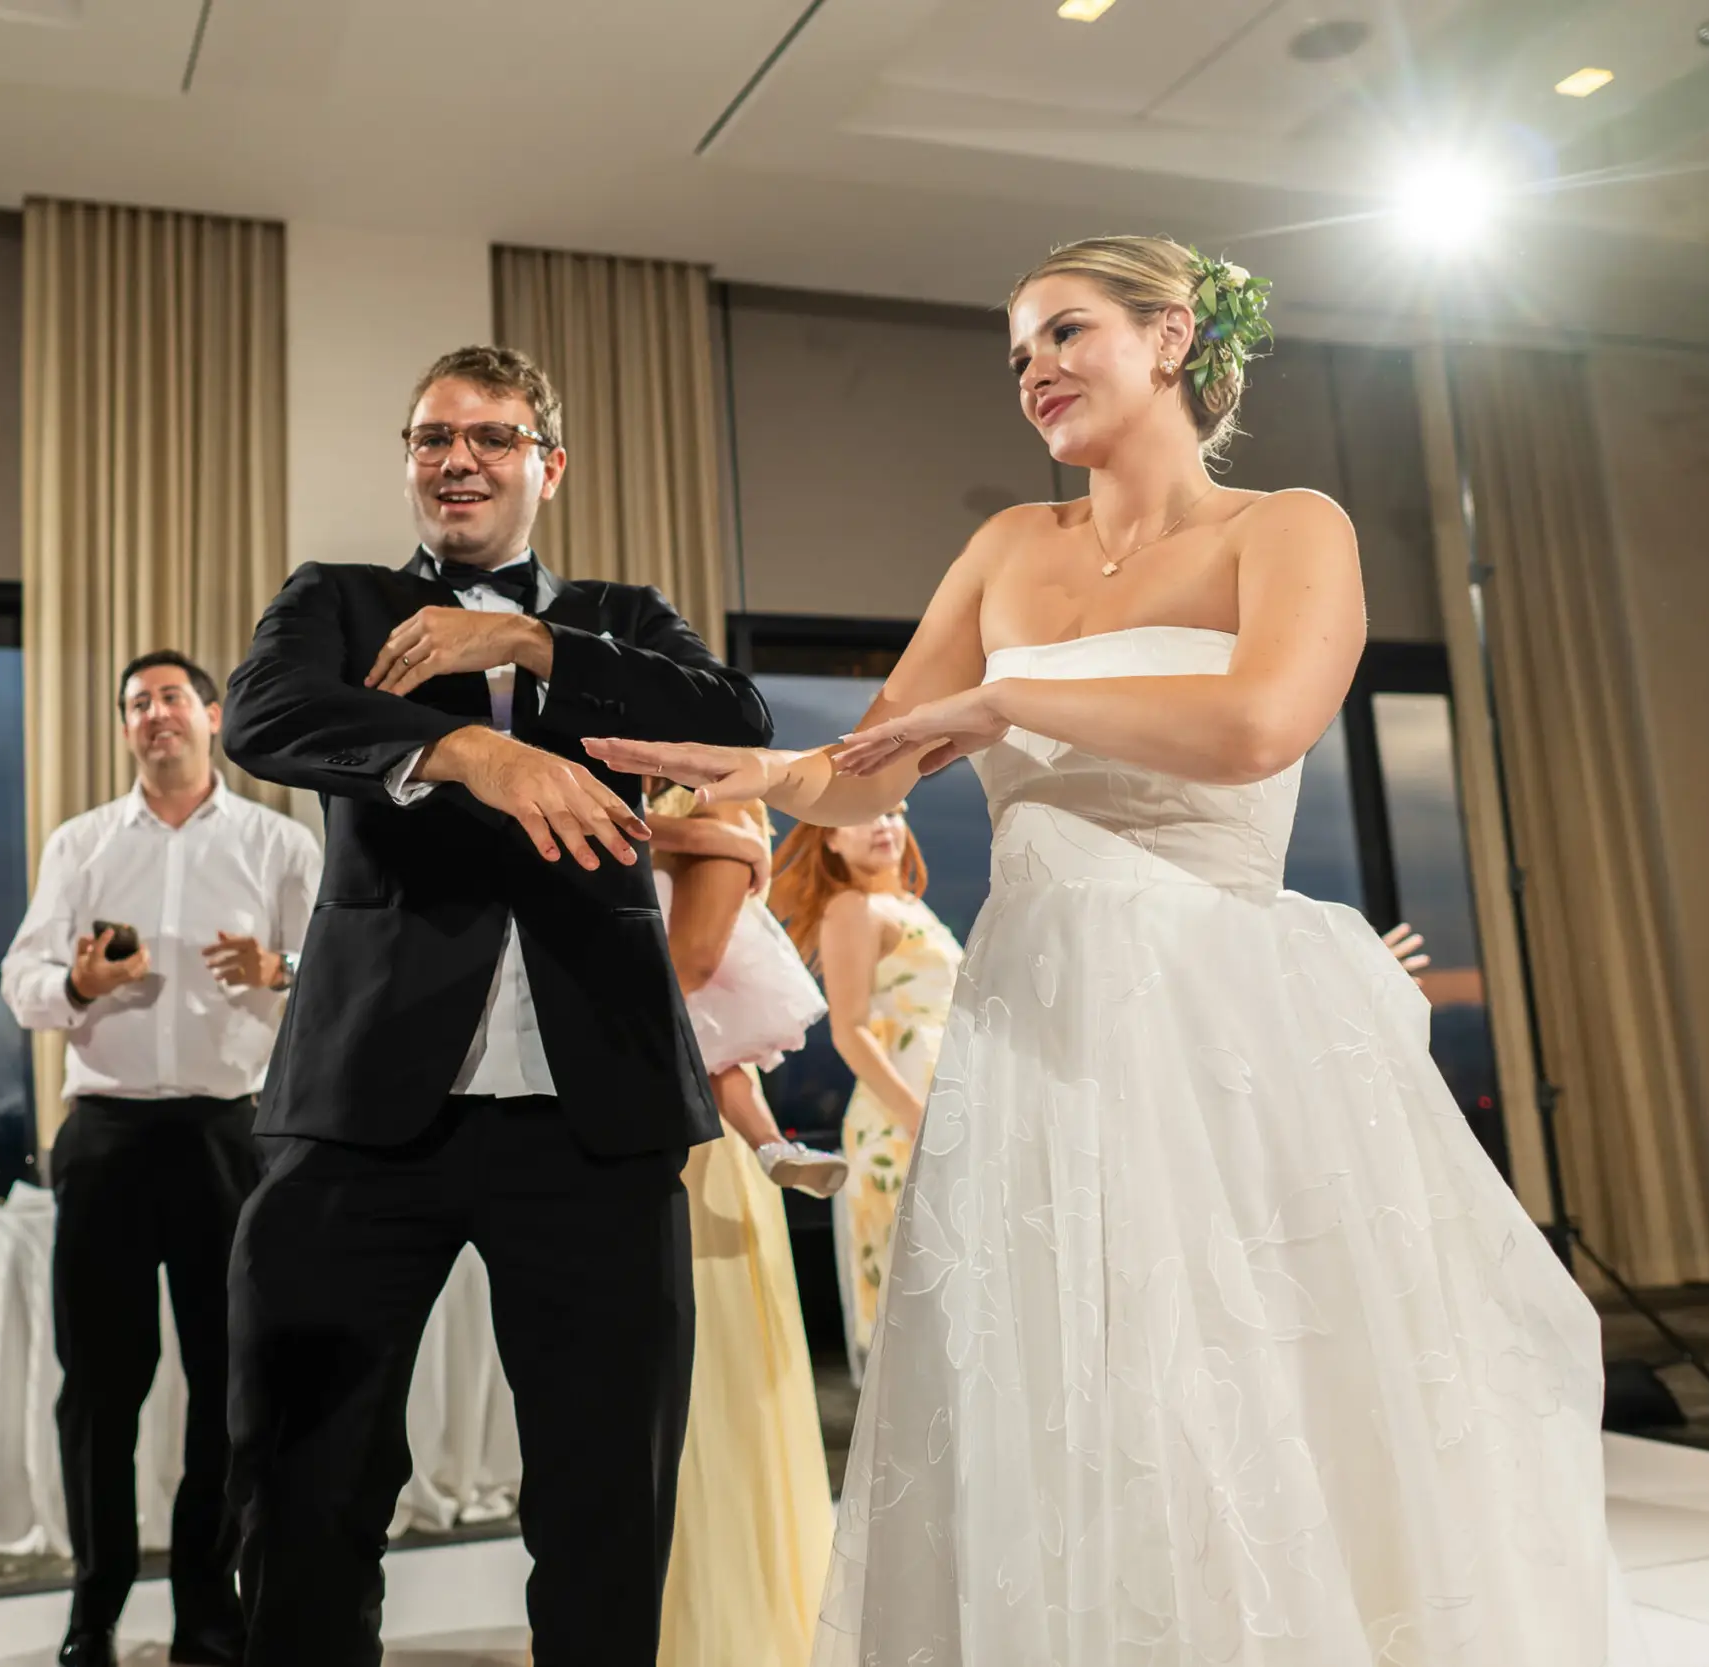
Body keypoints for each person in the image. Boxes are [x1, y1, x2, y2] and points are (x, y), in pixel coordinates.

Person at [589, 238, 1638, 1665]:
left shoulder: (1287, 526)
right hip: (1032, 1017)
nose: (1034, 372)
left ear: (1169, 336)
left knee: (1228, 1372)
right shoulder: (1005, 549)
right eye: (1018, 352)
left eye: (1064, 333)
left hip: (1216, 1007)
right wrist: (758, 772)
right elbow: (869, 768)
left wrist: (1010, 694)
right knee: (1053, 1379)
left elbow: (1261, 723)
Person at [219, 344, 773, 1666]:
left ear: (548, 464)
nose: (455, 459)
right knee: (306, 1487)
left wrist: (529, 641)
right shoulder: (341, 603)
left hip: (599, 1118)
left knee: (606, 1503)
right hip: (360, 1116)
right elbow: (266, 712)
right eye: (430, 439)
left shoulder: (623, 617)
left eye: (490, 436)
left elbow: (733, 718)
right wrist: (462, 744)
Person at [0, 649, 321, 1667]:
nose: (153, 714)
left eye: (171, 697)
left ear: (213, 716)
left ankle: (206, 1613)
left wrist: (281, 969)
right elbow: (22, 979)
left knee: (234, 1386)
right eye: (136, 703)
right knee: (98, 1388)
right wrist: (81, 985)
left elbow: (338, 981)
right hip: (105, 1138)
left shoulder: (281, 841)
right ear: (127, 726)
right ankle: (91, 1613)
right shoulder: (81, 842)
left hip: (232, 1134)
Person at [645, 785, 835, 1667]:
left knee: (709, 1385)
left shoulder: (719, 810)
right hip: (613, 1116)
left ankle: (718, 1633)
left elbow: (690, 972)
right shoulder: (622, 803)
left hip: (687, 1136)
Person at [765, 809, 963, 1375]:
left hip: (937, 1104)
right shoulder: (853, 908)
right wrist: (918, 1118)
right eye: (860, 815)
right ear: (828, 838)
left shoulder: (906, 903)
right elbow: (848, 1030)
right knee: (922, 1295)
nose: (884, 824)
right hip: (903, 1117)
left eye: (895, 812)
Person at [645, 798, 848, 1196]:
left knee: (698, 1037)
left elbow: (624, 820)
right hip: (714, 942)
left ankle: (773, 1145)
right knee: (719, 1057)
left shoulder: (703, 800)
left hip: (670, 927)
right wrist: (747, 846)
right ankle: (772, 1145)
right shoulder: (735, 806)